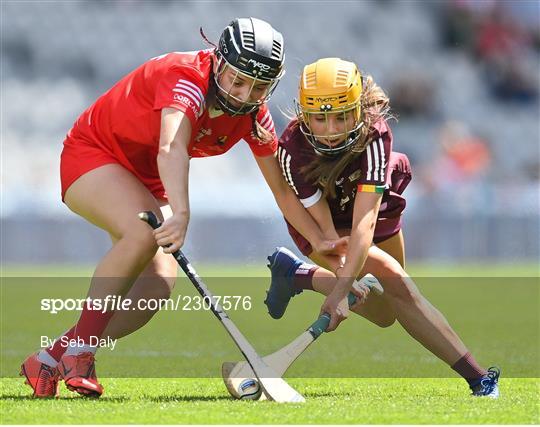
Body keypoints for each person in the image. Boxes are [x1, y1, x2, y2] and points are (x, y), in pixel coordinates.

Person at [20, 18, 345, 399]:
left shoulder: (254, 115)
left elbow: (284, 194)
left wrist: (323, 241)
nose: (244, 94)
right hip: (93, 155)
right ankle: (81, 353)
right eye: (238, 80)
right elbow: (171, 146)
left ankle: (50, 357)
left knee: (157, 286)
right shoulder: (186, 77)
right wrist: (182, 213)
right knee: (142, 232)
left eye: (258, 87)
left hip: (143, 181)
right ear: (219, 63)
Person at [264, 57, 500, 398]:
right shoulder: (292, 149)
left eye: (342, 116)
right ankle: (479, 380)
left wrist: (340, 289)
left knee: (386, 312)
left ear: (358, 109)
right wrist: (341, 286)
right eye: (320, 118)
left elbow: (364, 222)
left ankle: (297, 274)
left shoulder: (374, 133)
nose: (331, 130)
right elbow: (328, 231)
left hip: (370, 208)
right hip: (322, 224)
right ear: (304, 115)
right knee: (397, 284)